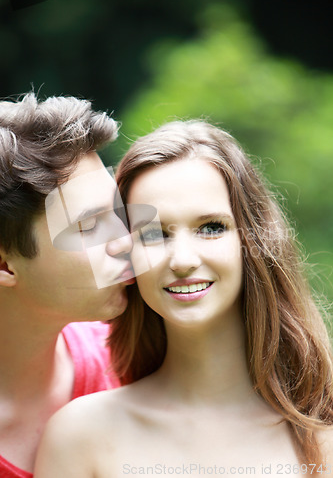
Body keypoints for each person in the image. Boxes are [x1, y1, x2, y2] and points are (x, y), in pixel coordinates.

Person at [34, 120, 333, 477]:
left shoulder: (323, 439)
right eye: (154, 234)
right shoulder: (80, 437)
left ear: (253, 241)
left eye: (210, 228)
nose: (183, 260)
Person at [0, 92, 135, 478]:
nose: (126, 240)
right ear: (4, 263)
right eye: (89, 226)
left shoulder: (134, 359)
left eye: (119, 212)